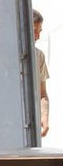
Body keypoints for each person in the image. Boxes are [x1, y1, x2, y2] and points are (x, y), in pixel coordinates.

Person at [34, 9, 50, 137]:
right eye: (35, 31)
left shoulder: (39, 56)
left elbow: (42, 94)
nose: (38, 37)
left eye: (39, 32)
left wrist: (44, 117)